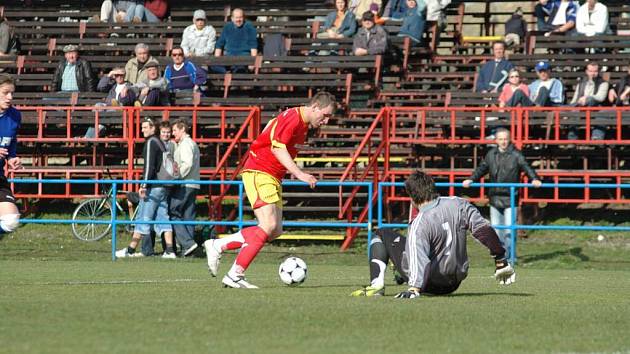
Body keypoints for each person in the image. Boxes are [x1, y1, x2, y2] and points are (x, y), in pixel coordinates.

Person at [203, 92, 336, 289]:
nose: (325, 121)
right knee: (268, 224)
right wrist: (300, 174)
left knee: (274, 230)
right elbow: (277, 148)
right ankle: (235, 274)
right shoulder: (294, 117)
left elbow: (271, 126)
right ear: (315, 106)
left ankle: (218, 245)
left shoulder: (300, 124)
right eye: (324, 115)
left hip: (272, 175)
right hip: (260, 170)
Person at [350, 171, 516, 298]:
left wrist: (413, 289)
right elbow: (483, 230)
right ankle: (398, 273)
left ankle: (377, 285)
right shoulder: (458, 204)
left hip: (428, 284)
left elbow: (418, 256)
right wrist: (500, 259)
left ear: (412, 198)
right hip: (454, 283)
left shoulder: (419, 223)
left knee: (381, 234)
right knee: (412, 243)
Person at [462, 128, 542, 256]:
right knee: (496, 230)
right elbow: (482, 169)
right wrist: (471, 179)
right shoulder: (491, 154)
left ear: (509, 139)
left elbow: (527, 167)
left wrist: (535, 179)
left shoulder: (517, 155)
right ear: (496, 140)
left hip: (511, 197)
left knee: (510, 229)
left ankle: (510, 256)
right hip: (494, 197)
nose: (503, 142)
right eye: (500, 139)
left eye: (505, 139)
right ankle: (500, 256)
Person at [116, 117, 175, 259]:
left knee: (143, 217)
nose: (142, 130)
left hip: (153, 186)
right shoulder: (161, 143)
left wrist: (143, 185)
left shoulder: (151, 142)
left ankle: (130, 250)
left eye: (145, 127)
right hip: (163, 186)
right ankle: (170, 250)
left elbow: (149, 166)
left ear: (153, 128)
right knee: (163, 218)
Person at [169, 119, 200, 257]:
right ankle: (189, 250)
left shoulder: (186, 144)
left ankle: (187, 243)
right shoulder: (190, 143)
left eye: (175, 130)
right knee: (188, 216)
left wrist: (177, 176)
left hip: (185, 183)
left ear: (182, 130)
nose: (173, 133)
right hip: (193, 183)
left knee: (173, 212)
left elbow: (186, 164)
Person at [0, 75, 22, 238]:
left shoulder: (14, 115)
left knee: (11, 220)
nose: (10, 97)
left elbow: (11, 141)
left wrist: (12, 157)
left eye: (12, 93)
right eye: (5, 93)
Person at [569, 62, 609, 140]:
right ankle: (572, 139)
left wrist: (586, 98)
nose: (593, 73)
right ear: (587, 71)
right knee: (574, 111)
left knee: (602, 111)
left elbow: (600, 98)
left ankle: (596, 138)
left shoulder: (604, 83)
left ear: (598, 72)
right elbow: (574, 100)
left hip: (596, 109)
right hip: (581, 109)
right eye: (591, 71)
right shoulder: (580, 84)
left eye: (595, 71)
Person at [212, 9, 258, 74]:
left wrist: (252, 62)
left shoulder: (249, 27)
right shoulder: (227, 27)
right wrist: (217, 60)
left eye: (240, 17)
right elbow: (219, 45)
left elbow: (253, 46)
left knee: (240, 69)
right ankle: (227, 72)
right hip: (228, 58)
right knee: (212, 65)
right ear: (232, 18)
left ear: (243, 18)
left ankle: (231, 72)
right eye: (236, 18)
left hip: (243, 58)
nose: (238, 20)